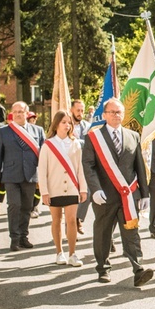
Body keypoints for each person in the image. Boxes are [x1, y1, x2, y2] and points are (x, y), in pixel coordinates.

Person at [82, 98, 153, 286]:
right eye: (112, 112)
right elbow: (88, 166)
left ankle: (138, 269)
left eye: (119, 112)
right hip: (104, 196)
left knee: (131, 233)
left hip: (129, 196)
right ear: (104, 115)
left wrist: (145, 194)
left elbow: (139, 165)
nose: (116, 115)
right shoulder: (93, 137)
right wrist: (95, 189)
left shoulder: (133, 136)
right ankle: (103, 268)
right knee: (104, 232)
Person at [0, 102, 46, 250]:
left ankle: (23, 236)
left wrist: (44, 177)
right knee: (14, 205)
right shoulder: (4, 131)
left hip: (30, 174)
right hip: (11, 174)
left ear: (27, 113)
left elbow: (44, 156)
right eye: (15, 112)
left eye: (21, 111)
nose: (17, 114)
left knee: (27, 207)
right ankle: (14, 238)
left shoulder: (38, 131)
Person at [38, 110, 87, 267]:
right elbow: (42, 169)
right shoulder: (48, 144)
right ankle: (59, 252)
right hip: (54, 187)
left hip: (72, 187)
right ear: (56, 124)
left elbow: (80, 168)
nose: (67, 125)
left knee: (72, 220)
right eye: (63, 122)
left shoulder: (76, 143)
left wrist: (83, 189)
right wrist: (44, 192)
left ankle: (73, 254)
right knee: (56, 220)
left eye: (69, 123)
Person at [70, 100, 91, 234]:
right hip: (69, 166)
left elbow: (90, 144)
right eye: (78, 110)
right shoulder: (66, 124)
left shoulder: (87, 126)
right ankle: (70, 223)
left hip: (84, 165)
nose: (80, 113)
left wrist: (77, 141)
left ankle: (78, 218)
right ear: (71, 109)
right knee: (71, 196)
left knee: (86, 194)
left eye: (82, 110)